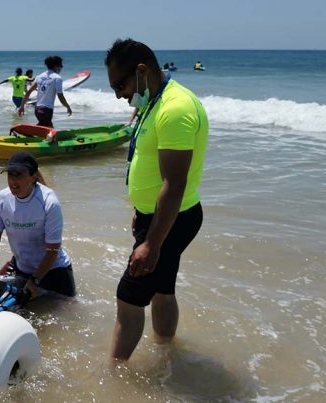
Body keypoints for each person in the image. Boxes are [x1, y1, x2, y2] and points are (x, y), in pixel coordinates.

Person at [105, 38, 208, 362]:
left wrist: (151, 243)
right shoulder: (155, 101)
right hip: (162, 217)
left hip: (171, 219)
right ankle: (168, 353)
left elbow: (174, 184)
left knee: (128, 298)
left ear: (141, 70)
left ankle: (113, 380)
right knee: (163, 289)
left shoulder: (175, 108)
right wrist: (142, 209)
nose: (119, 95)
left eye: (119, 85)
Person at [0, 152, 76, 300]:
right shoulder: (2, 198)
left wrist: (35, 280)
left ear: (33, 177)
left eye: (18, 175)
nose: (13, 181)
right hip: (22, 268)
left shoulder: (49, 202)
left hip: (54, 271)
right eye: (10, 175)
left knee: (63, 315)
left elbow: (52, 250)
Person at [18, 55, 72, 128]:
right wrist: (67, 106)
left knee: (45, 128)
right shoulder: (57, 78)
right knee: (49, 131)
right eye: (61, 65)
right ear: (56, 65)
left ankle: (30, 132)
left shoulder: (40, 76)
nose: (61, 67)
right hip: (47, 110)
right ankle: (26, 131)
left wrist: (22, 106)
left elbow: (29, 92)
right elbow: (60, 96)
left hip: (37, 109)